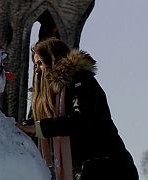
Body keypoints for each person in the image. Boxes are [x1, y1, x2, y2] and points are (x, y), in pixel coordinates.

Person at [16, 37, 139, 180]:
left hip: (109, 168)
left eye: (40, 64)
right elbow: (34, 122)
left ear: (53, 60)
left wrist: (40, 128)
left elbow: (82, 120)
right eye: (35, 65)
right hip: (83, 170)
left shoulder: (81, 81)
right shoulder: (47, 98)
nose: (37, 70)